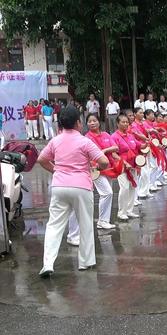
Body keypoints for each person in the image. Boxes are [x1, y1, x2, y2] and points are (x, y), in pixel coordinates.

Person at [37, 105, 109, 278]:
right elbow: (104, 161)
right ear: (78, 123)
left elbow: (41, 159)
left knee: (54, 225)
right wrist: (96, 166)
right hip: (81, 187)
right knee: (85, 224)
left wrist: (56, 170)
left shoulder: (56, 140)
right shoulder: (84, 141)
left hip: (59, 186)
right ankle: (86, 262)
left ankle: (47, 263)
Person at [84, 113, 119, 228]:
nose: (92, 123)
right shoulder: (87, 137)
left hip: (109, 167)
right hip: (96, 169)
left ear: (99, 122)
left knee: (107, 193)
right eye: (89, 121)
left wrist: (104, 151)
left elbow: (116, 147)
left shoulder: (105, 134)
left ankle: (104, 220)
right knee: (107, 193)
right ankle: (102, 221)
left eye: (94, 120)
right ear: (86, 124)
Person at [111, 113, 143, 220]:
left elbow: (139, 145)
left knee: (132, 187)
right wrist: (124, 163)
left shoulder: (131, 136)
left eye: (127, 122)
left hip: (133, 164)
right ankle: (121, 212)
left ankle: (129, 210)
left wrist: (148, 142)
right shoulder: (114, 137)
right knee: (124, 188)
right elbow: (113, 153)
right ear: (117, 123)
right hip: (121, 166)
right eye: (123, 122)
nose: (125, 124)